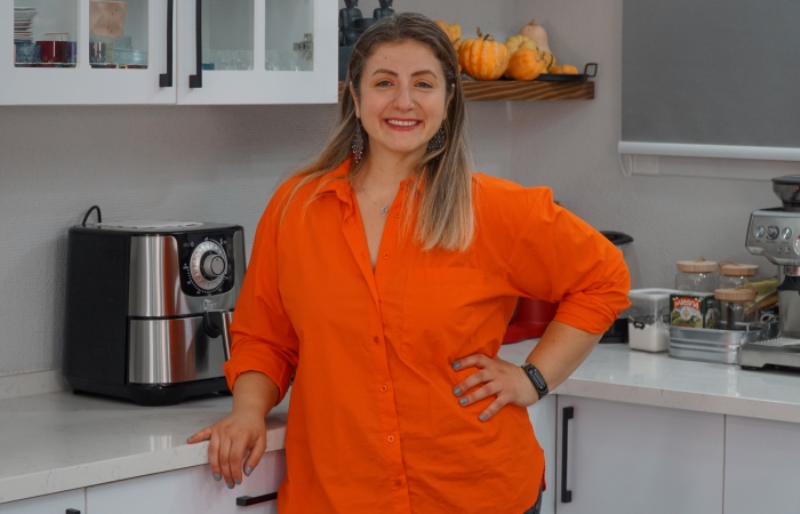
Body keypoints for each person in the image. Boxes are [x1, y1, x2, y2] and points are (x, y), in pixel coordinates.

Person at [188, 12, 630, 514]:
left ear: (448, 99)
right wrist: (248, 411)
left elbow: (605, 278)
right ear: (356, 98)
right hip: (340, 498)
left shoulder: (492, 209)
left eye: (423, 83)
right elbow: (265, 337)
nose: (403, 101)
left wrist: (532, 378)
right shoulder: (296, 208)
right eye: (384, 83)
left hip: (475, 495)